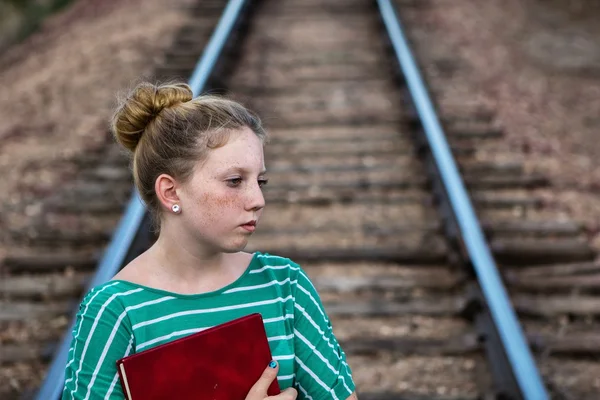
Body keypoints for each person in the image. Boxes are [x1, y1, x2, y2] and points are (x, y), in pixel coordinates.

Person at [61, 81, 357, 400]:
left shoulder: (285, 286)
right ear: (171, 192)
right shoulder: (116, 311)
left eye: (260, 181)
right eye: (234, 181)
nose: (258, 199)